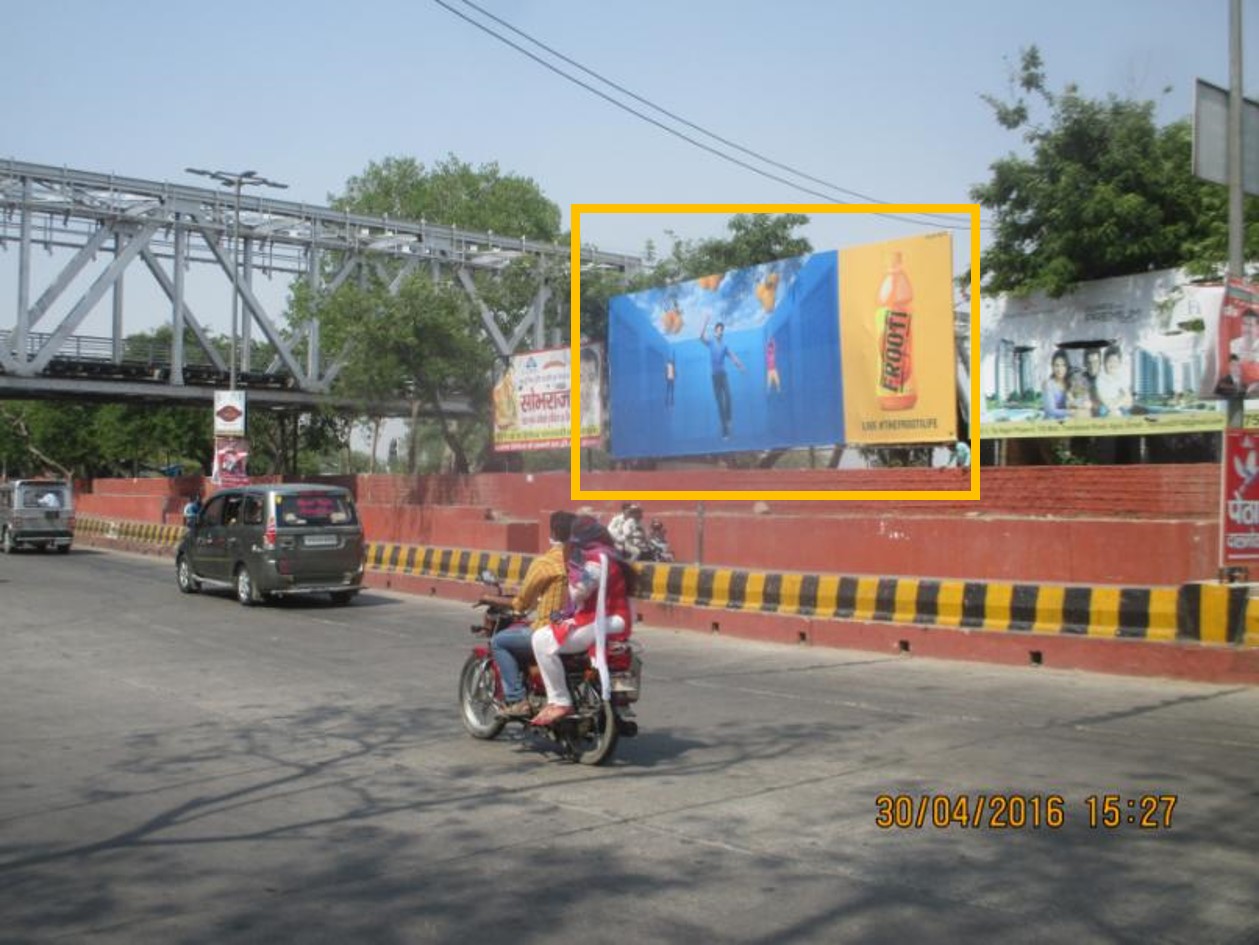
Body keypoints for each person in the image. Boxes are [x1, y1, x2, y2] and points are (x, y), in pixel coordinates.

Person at [530, 514, 636, 727]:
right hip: (618, 621)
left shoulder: (595, 560)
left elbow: (579, 593)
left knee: (540, 639)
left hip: (598, 621)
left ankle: (559, 700)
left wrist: (573, 575)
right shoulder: (613, 556)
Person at [489, 511, 577, 718]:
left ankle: (517, 699)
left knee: (499, 642)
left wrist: (495, 600)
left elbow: (522, 602)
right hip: (580, 628)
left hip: (550, 629)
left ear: (553, 532)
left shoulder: (546, 563)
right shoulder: (582, 562)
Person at [700, 314, 746, 440]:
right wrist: (705, 321)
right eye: (718, 330)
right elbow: (700, 337)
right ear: (715, 332)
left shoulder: (724, 346)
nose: (720, 332)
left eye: (722, 330)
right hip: (715, 377)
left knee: (729, 396)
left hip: (723, 375)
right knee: (720, 404)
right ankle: (725, 431)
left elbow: (732, 356)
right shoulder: (710, 342)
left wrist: (740, 365)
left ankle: (729, 419)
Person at [1094, 345, 1134, 416]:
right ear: (1104, 362)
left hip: (1119, 405)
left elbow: (1126, 395)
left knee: (1126, 411)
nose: (1112, 364)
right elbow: (1101, 397)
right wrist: (1112, 407)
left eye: (1115, 361)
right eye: (1110, 361)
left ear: (1119, 363)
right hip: (1105, 407)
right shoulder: (1100, 378)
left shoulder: (1121, 378)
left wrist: (1118, 404)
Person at [1231, 308, 1259, 386]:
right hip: (1238, 386)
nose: (1246, 328)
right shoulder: (1233, 345)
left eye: (1250, 325)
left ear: (1257, 327)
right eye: (1244, 324)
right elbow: (1233, 369)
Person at [1042, 350, 1072, 420]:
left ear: (1067, 367)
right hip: (1050, 424)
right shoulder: (1048, 384)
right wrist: (1070, 412)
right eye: (1057, 365)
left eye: (1063, 365)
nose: (1060, 369)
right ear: (1052, 367)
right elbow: (1050, 411)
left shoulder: (1069, 383)